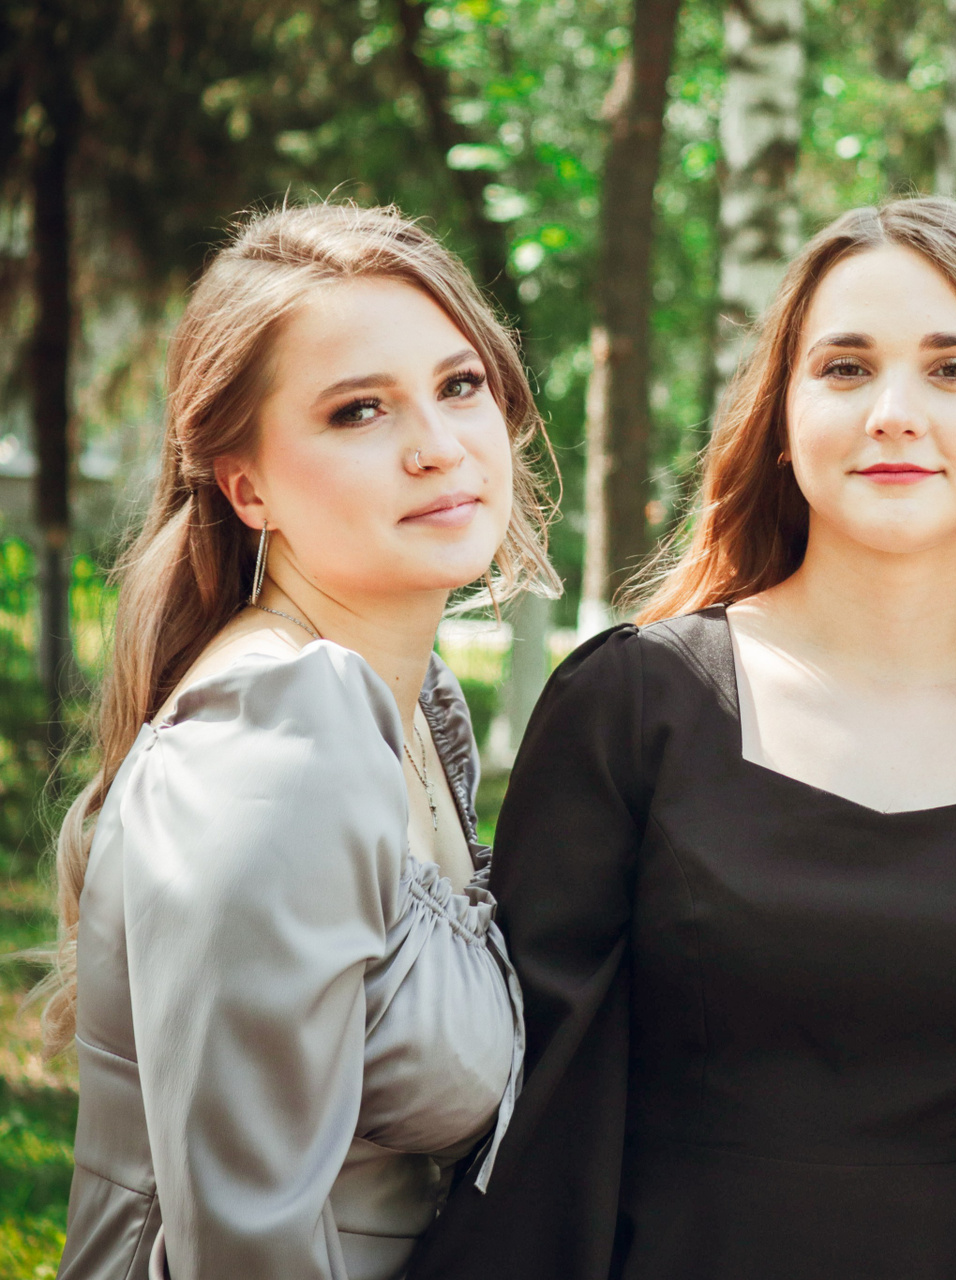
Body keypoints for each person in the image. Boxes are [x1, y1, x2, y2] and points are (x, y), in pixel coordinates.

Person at [411, 196, 956, 1280]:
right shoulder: (632, 707)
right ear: (781, 418)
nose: (893, 412)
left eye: (953, 369)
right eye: (844, 367)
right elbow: (532, 1123)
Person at [47, 202, 557, 1280]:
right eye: (358, 410)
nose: (438, 447)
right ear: (248, 485)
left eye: (459, 385)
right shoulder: (280, 727)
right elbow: (245, 1244)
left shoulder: (412, 716)